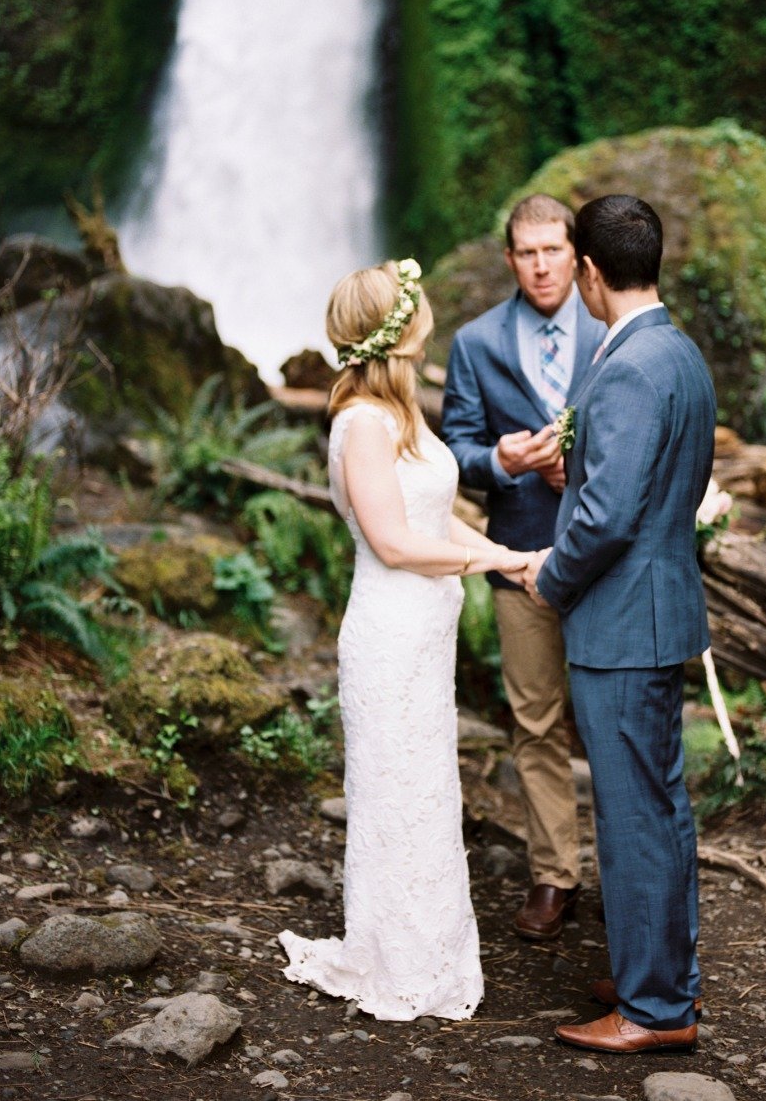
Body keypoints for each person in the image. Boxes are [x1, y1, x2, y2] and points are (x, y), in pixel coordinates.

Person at [280, 259, 530, 1021]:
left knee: (429, 791)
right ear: (400, 326)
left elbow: (430, 518)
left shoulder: (405, 410)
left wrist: (501, 554)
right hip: (389, 632)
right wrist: (493, 558)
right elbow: (391, 542)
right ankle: (395, 958)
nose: (428, 313)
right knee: (397, 794)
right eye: (416, 304)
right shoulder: (360, 422)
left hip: (428, 631)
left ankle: (432, 952)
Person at [522, 194, 716, 1055]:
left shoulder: (632, 365)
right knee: (662, 806)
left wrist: (551, 578)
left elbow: (605, 516)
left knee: (635, 814)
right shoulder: (680, 352)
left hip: (622, 623)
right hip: (659, 608)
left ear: (591, 273)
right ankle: (664, 977)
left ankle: (652, 1010)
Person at [441, 195, 606, 939]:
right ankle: (553, 874)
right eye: (526, 252)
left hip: (605, 562)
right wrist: (502, 461)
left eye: (552, 249)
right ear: (509, 258)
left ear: (576, 253)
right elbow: (456, 452)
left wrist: (589, 470)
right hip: (519, 561)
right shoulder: (476, 343)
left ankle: (629, 878)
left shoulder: (612, 332)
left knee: (610, 723)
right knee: (535, 721)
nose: (540, 264)